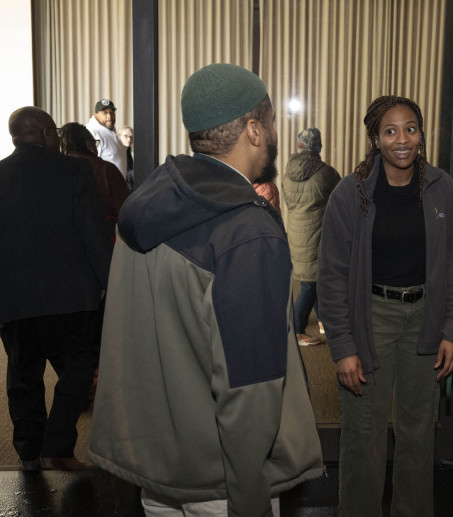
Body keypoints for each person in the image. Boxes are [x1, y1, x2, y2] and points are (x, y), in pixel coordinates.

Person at [87, 63, 323, 517]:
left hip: (158, 473)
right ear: (254, 130)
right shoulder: (245, 230)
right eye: (271, 122)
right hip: (223, 483)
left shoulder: (146, 202)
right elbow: (249, 385)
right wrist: (250, 496)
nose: (275, 132)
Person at [318, 95, 453, 516]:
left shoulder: (443, 189)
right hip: (371, 317)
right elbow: (330, 274)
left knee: (418, 434)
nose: (402, 139)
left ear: (421, 135)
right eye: (390, 131)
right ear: (375, 139)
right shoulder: (351, 194)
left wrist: (452, 330)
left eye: (410, 129)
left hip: (426, 320)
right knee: (363, 433)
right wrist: (343, 346)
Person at [0, 106, 112, 472]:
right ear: (48, 134)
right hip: (69, 295)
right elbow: (93, 234)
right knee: (79, 367)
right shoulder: (74, 171)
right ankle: (58, 447)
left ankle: (29, 454)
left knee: (23, 376)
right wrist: (107, 281)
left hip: (13, 298)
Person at [283, 127, 341, 347]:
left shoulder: (289, 172)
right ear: (318, 147)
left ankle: (322, 320)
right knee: (310, 283)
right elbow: (340, 198)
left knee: (314, 279)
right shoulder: (325, 172)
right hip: (317, 233)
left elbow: (289, 202)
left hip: (297, 233)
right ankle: (296, 330)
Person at [61, 122, 131, 239]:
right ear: (88, 144)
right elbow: (126, 209)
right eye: (95, 143)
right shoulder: (105, 169)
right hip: (103, 238)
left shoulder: (56, 169)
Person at [86, 99, 127, 177]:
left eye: (112, 112)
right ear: (95, 115)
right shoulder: (92, 133)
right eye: (105, 113)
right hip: (103, 187)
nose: (109, 116)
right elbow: (90, 165)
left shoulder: (110, 132)